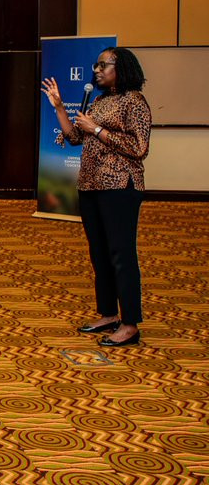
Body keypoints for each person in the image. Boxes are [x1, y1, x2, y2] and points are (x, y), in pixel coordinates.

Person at [43, 47, 151, 348]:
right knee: (99, 253)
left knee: (121, 254)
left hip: (120, 186)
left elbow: (139, 148)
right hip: (90, 185)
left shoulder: (135, 101)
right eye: (97, 65)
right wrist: (60, 108)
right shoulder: (100, 101)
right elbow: (75, 137)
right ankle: (108, 314)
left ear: (122, 67)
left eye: (104, 65)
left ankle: (130, 324)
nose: (97, 70)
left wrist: (98, 128)